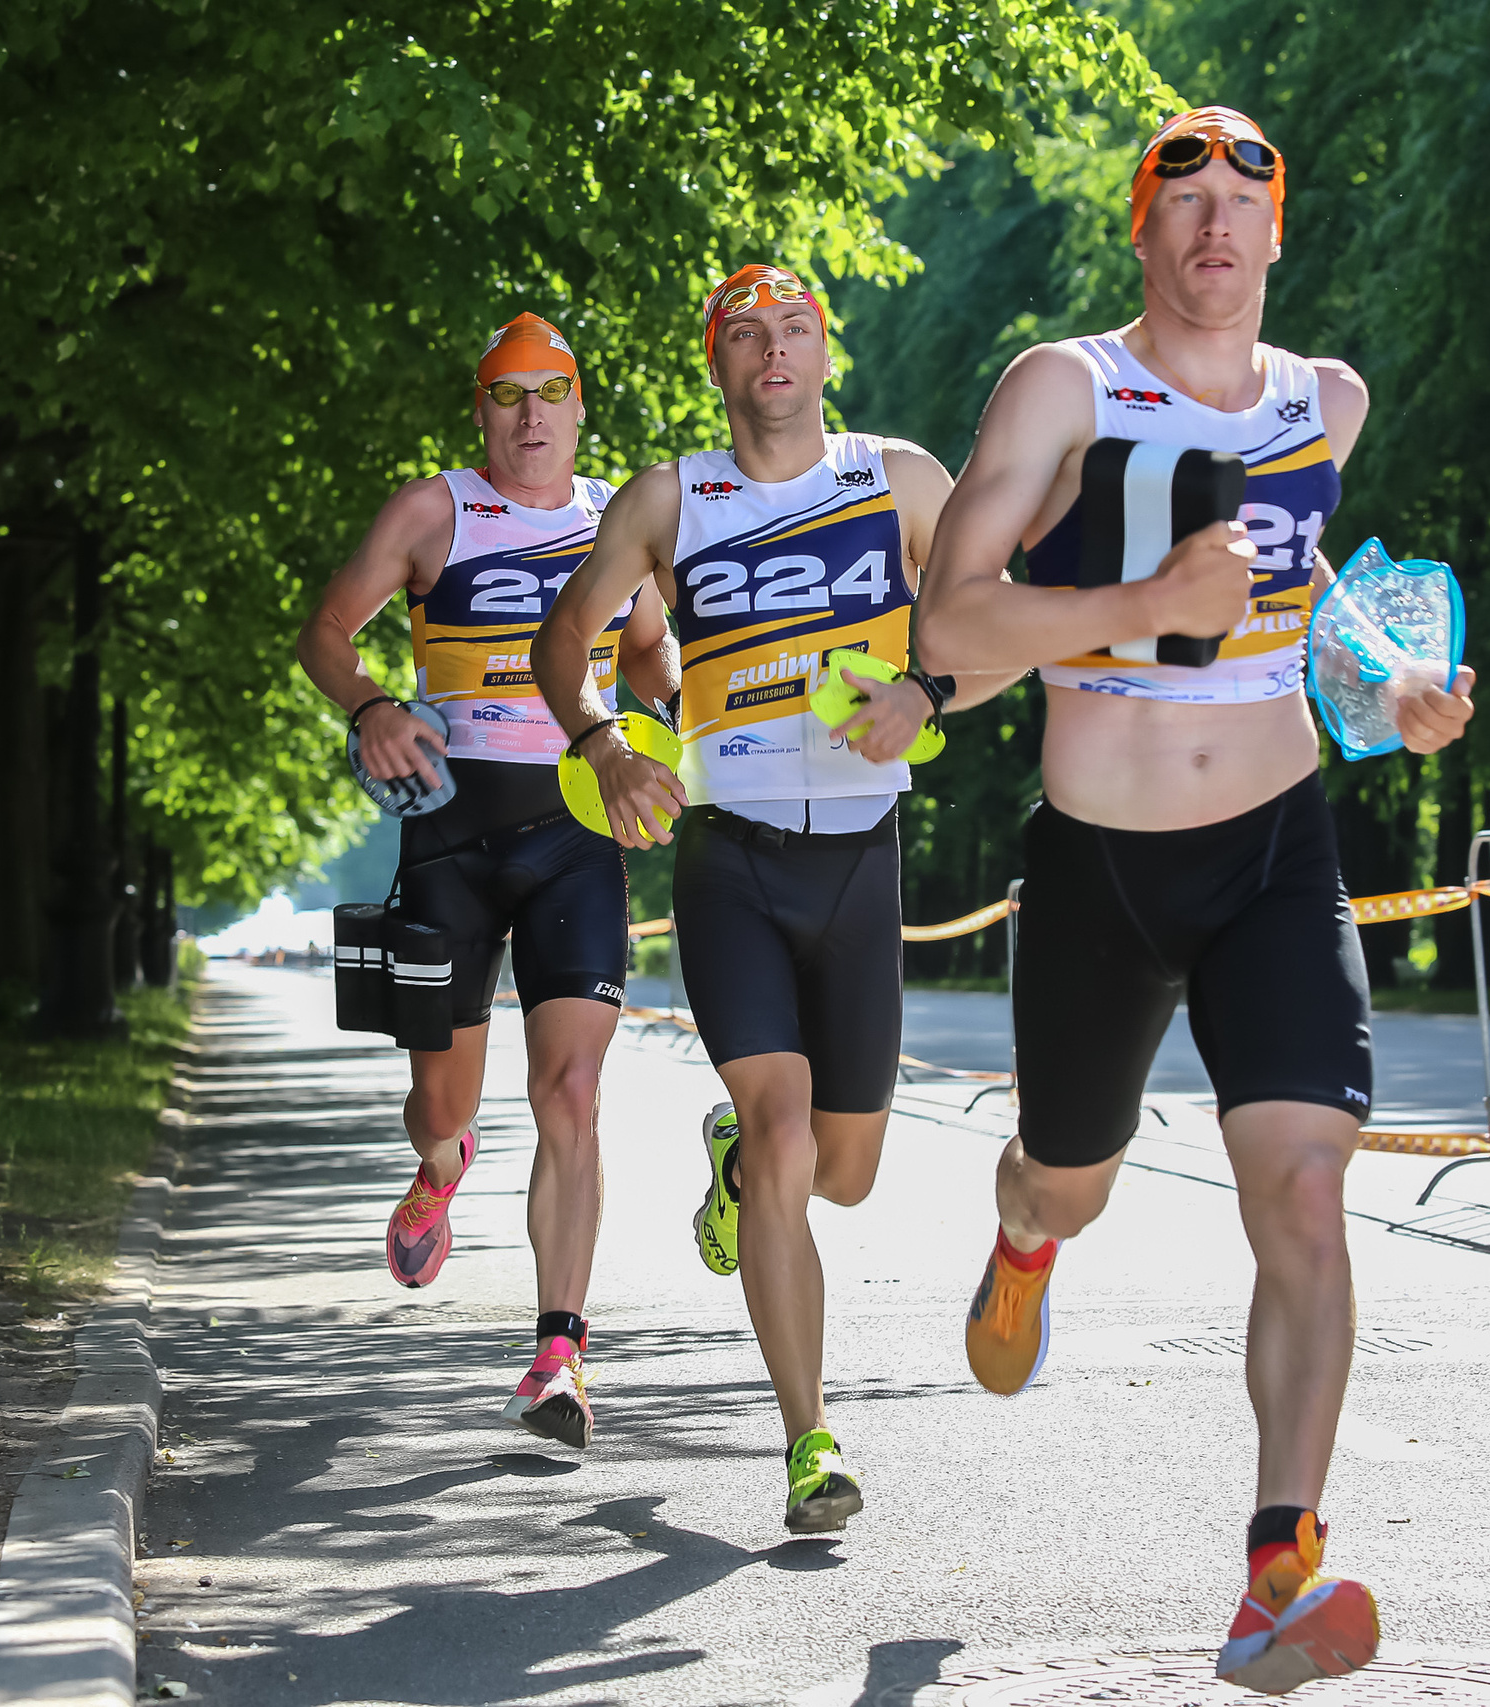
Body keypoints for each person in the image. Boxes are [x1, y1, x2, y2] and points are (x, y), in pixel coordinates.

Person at [912, 109, 1476, 1694]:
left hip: (1279, 850)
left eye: (1246, 203)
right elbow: (950, 625)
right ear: (1142, 236)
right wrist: (1139, 604)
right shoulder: (1064, 385)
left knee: (1302, 1187)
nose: (1217, 227)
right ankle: (1026, 1234)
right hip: (1102, 861)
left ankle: (1277, 1567)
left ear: (1279, 235)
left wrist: (1399, 687)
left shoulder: (1330, 400)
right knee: (1068, 1180)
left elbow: (1312, 615)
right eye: (1189, 205)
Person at [534, 264, 987, 1533]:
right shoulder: (670, 499)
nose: (773, 349)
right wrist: (604, 743)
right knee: (787, 1136)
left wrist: (932, 693)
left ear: (825, 351)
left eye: (794, 328)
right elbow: (562, 641)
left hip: (861, 854)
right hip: (727, 854)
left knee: (842, 1173)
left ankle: (737, 1172)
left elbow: (987, 617)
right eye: (746, 333)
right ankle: (811, 1444)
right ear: (718, 363)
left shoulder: (896, 479)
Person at [295, 312, 677, 1451]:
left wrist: (657, 717)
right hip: (451, 837)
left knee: (569, 1096)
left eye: (548, 393)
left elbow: (655, 649)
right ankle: (437, 1170)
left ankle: (558, 1351)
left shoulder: (618, 523)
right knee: (442, 1109)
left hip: (573, 831)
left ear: (576, 407)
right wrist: (369, 707)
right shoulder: (433, 511)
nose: (528, 416)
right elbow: (326, 630)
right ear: (481, 410)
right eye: (505, 395)